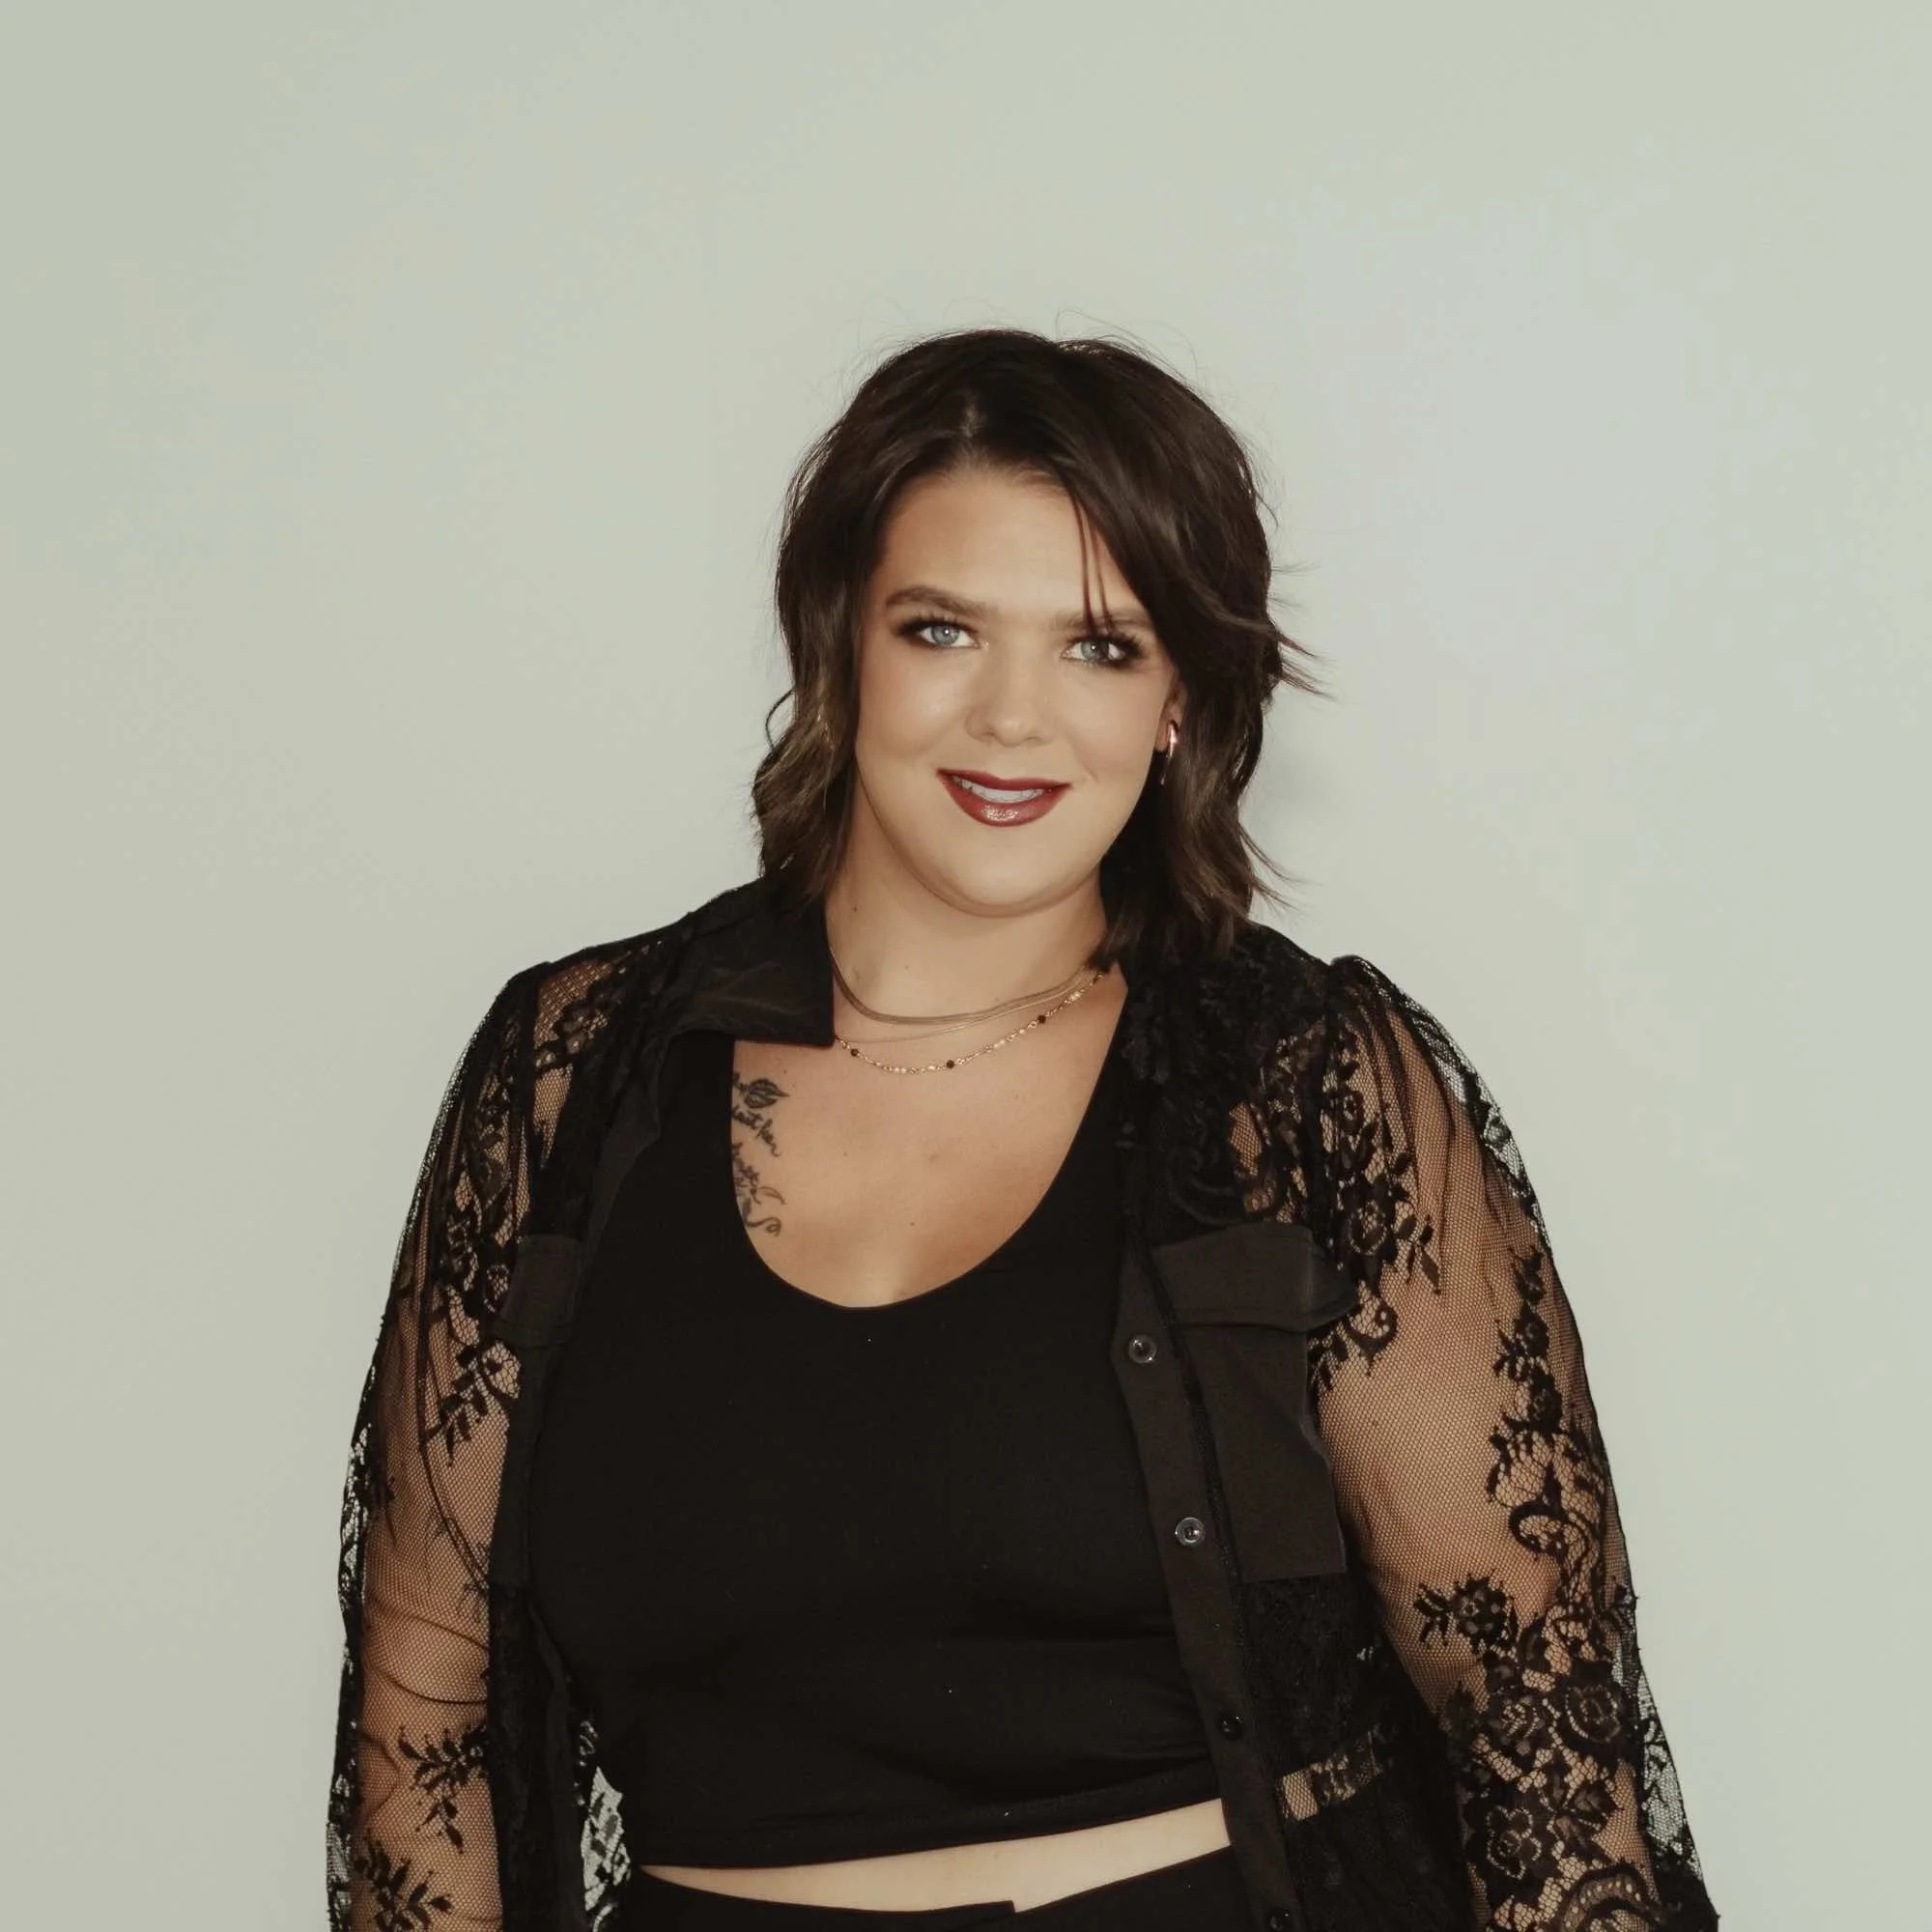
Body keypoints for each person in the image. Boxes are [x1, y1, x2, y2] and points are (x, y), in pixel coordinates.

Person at [326, 329, 1718, 1932]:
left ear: (1182, 698)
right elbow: (421, 1709)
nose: (1013, 719)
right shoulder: (571, 1079)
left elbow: (1530, 1711)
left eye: (1101, 648)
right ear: (840, 642)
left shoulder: (1299, 1083)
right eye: (944, 630)